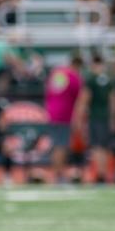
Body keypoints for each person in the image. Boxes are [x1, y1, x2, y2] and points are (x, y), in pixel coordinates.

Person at [74, 54, 114, 184]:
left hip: (95, 116)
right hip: (106, 117)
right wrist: (114, 118)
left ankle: (100, 174)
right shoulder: (109, 79)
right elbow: (114, 101)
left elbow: (84, 99)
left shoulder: (91, 79)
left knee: (97, 146)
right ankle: (104, 173)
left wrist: (78, 119)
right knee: (105, 147)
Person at [44, 55, 83, 183]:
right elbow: (80, 100)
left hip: (52, 112)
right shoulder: (74, 77)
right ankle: (59, 175)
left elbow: (49, 92)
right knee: (62, 145)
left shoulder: (57, 73)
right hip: (64, 114)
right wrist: (77, 119)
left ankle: (57, 173)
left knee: (56, 144)